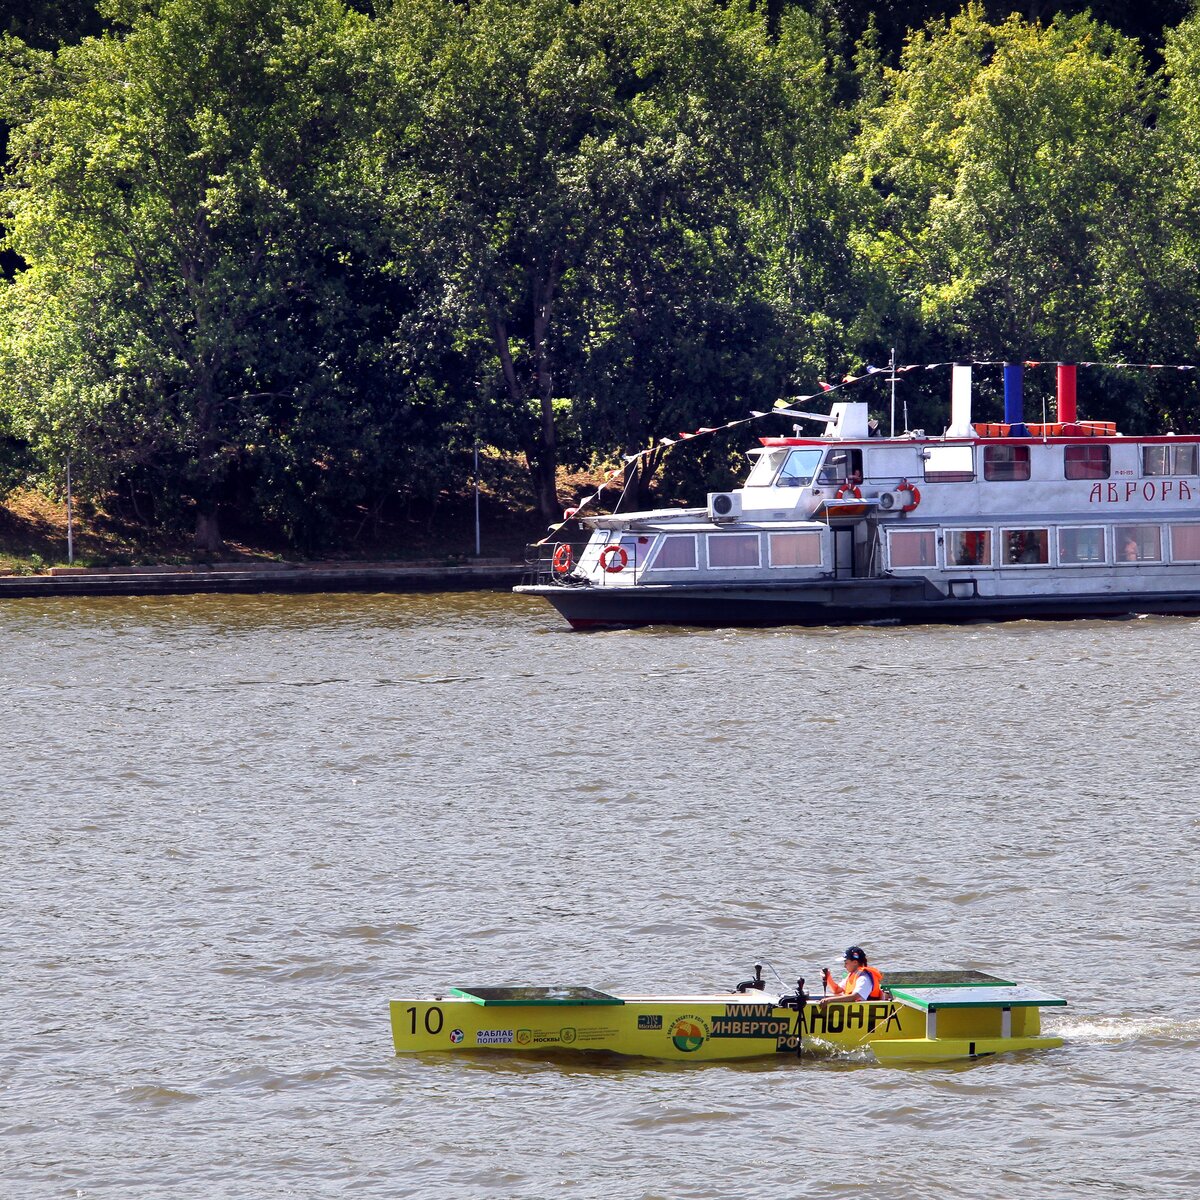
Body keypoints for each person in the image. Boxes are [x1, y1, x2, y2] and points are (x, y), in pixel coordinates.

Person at [819, 946, 884, 1006]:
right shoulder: (852, 975)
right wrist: (828, 977)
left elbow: (854, 997)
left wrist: (829, 1000)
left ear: (855, 962)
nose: (844, 966)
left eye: (846, 963)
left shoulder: (864, 978)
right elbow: (836, 990)